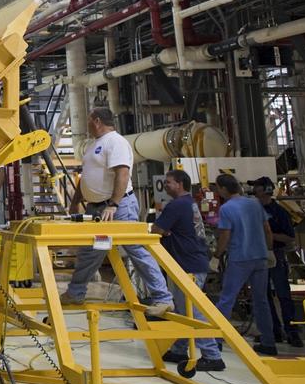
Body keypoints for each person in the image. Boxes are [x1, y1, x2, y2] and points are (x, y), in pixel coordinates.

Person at [61, 107, 174, 317]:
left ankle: (163, 298)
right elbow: (86, 176)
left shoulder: (116, 142)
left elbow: (122, 174)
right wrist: (76, 200)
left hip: (117, 208)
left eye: (88, 121)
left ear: (96, 121)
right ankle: (76, 292)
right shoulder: (94, 145)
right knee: (91, 251)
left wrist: (113, 204)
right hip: (97, 210)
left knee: (135, 248)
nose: (86, 125)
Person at [154, 170, 224, 370]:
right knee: (185, 309)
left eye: (169, 183)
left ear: (180, 184)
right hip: (193, 261)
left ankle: (212, 355)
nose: (165, 186)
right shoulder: (189, 203)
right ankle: (179, 349)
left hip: (187, 265)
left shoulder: (176, 205)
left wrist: (165, 231)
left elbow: (156, 230)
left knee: (191, 310)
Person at [213, 174, 277, 356]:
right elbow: (267, 229)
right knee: (261, 300)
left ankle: (215, 341)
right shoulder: (255, 203)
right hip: (260, 258)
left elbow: (225, 236)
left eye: (218, 188)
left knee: (226, 299)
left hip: (240, 258)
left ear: (224, 189)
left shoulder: (227, 209)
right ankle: (268, 342)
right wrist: (269, 249)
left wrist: (217, 255)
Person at [251, 177, 302, 347]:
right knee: (263, 296)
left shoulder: (279, 212)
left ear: (264, 191)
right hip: (258, 256)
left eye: (256, 189)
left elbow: (289, 237)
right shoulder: (253, 211)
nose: (254, 193)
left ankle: (292, 332)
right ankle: (273, 331)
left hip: (276, 255)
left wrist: (269, 235)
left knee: (283, 294)